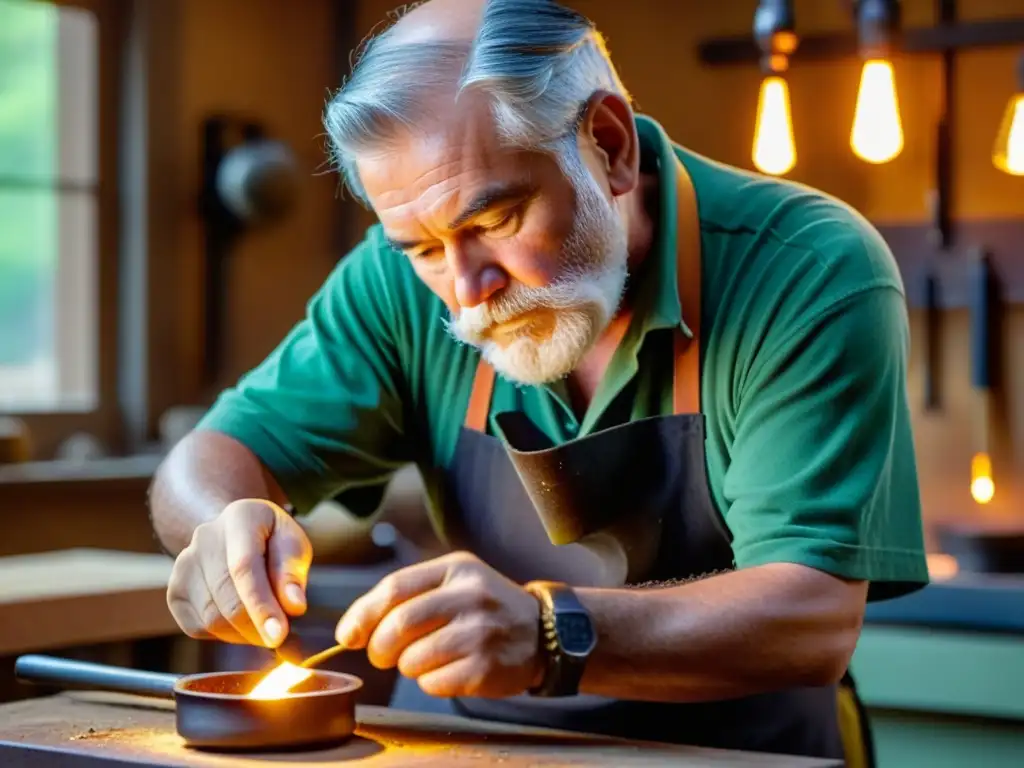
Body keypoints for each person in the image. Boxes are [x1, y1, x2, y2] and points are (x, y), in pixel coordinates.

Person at [149, 0, 928, 762]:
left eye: (494, 221)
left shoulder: (806, 269)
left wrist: (550, 632)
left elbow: (812, 616)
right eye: (421, 247)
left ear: (610, 144)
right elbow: (207, 458)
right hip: (466, 745)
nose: (464, 287)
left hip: (731, 750)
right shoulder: (394, 285)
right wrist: (221, 529)